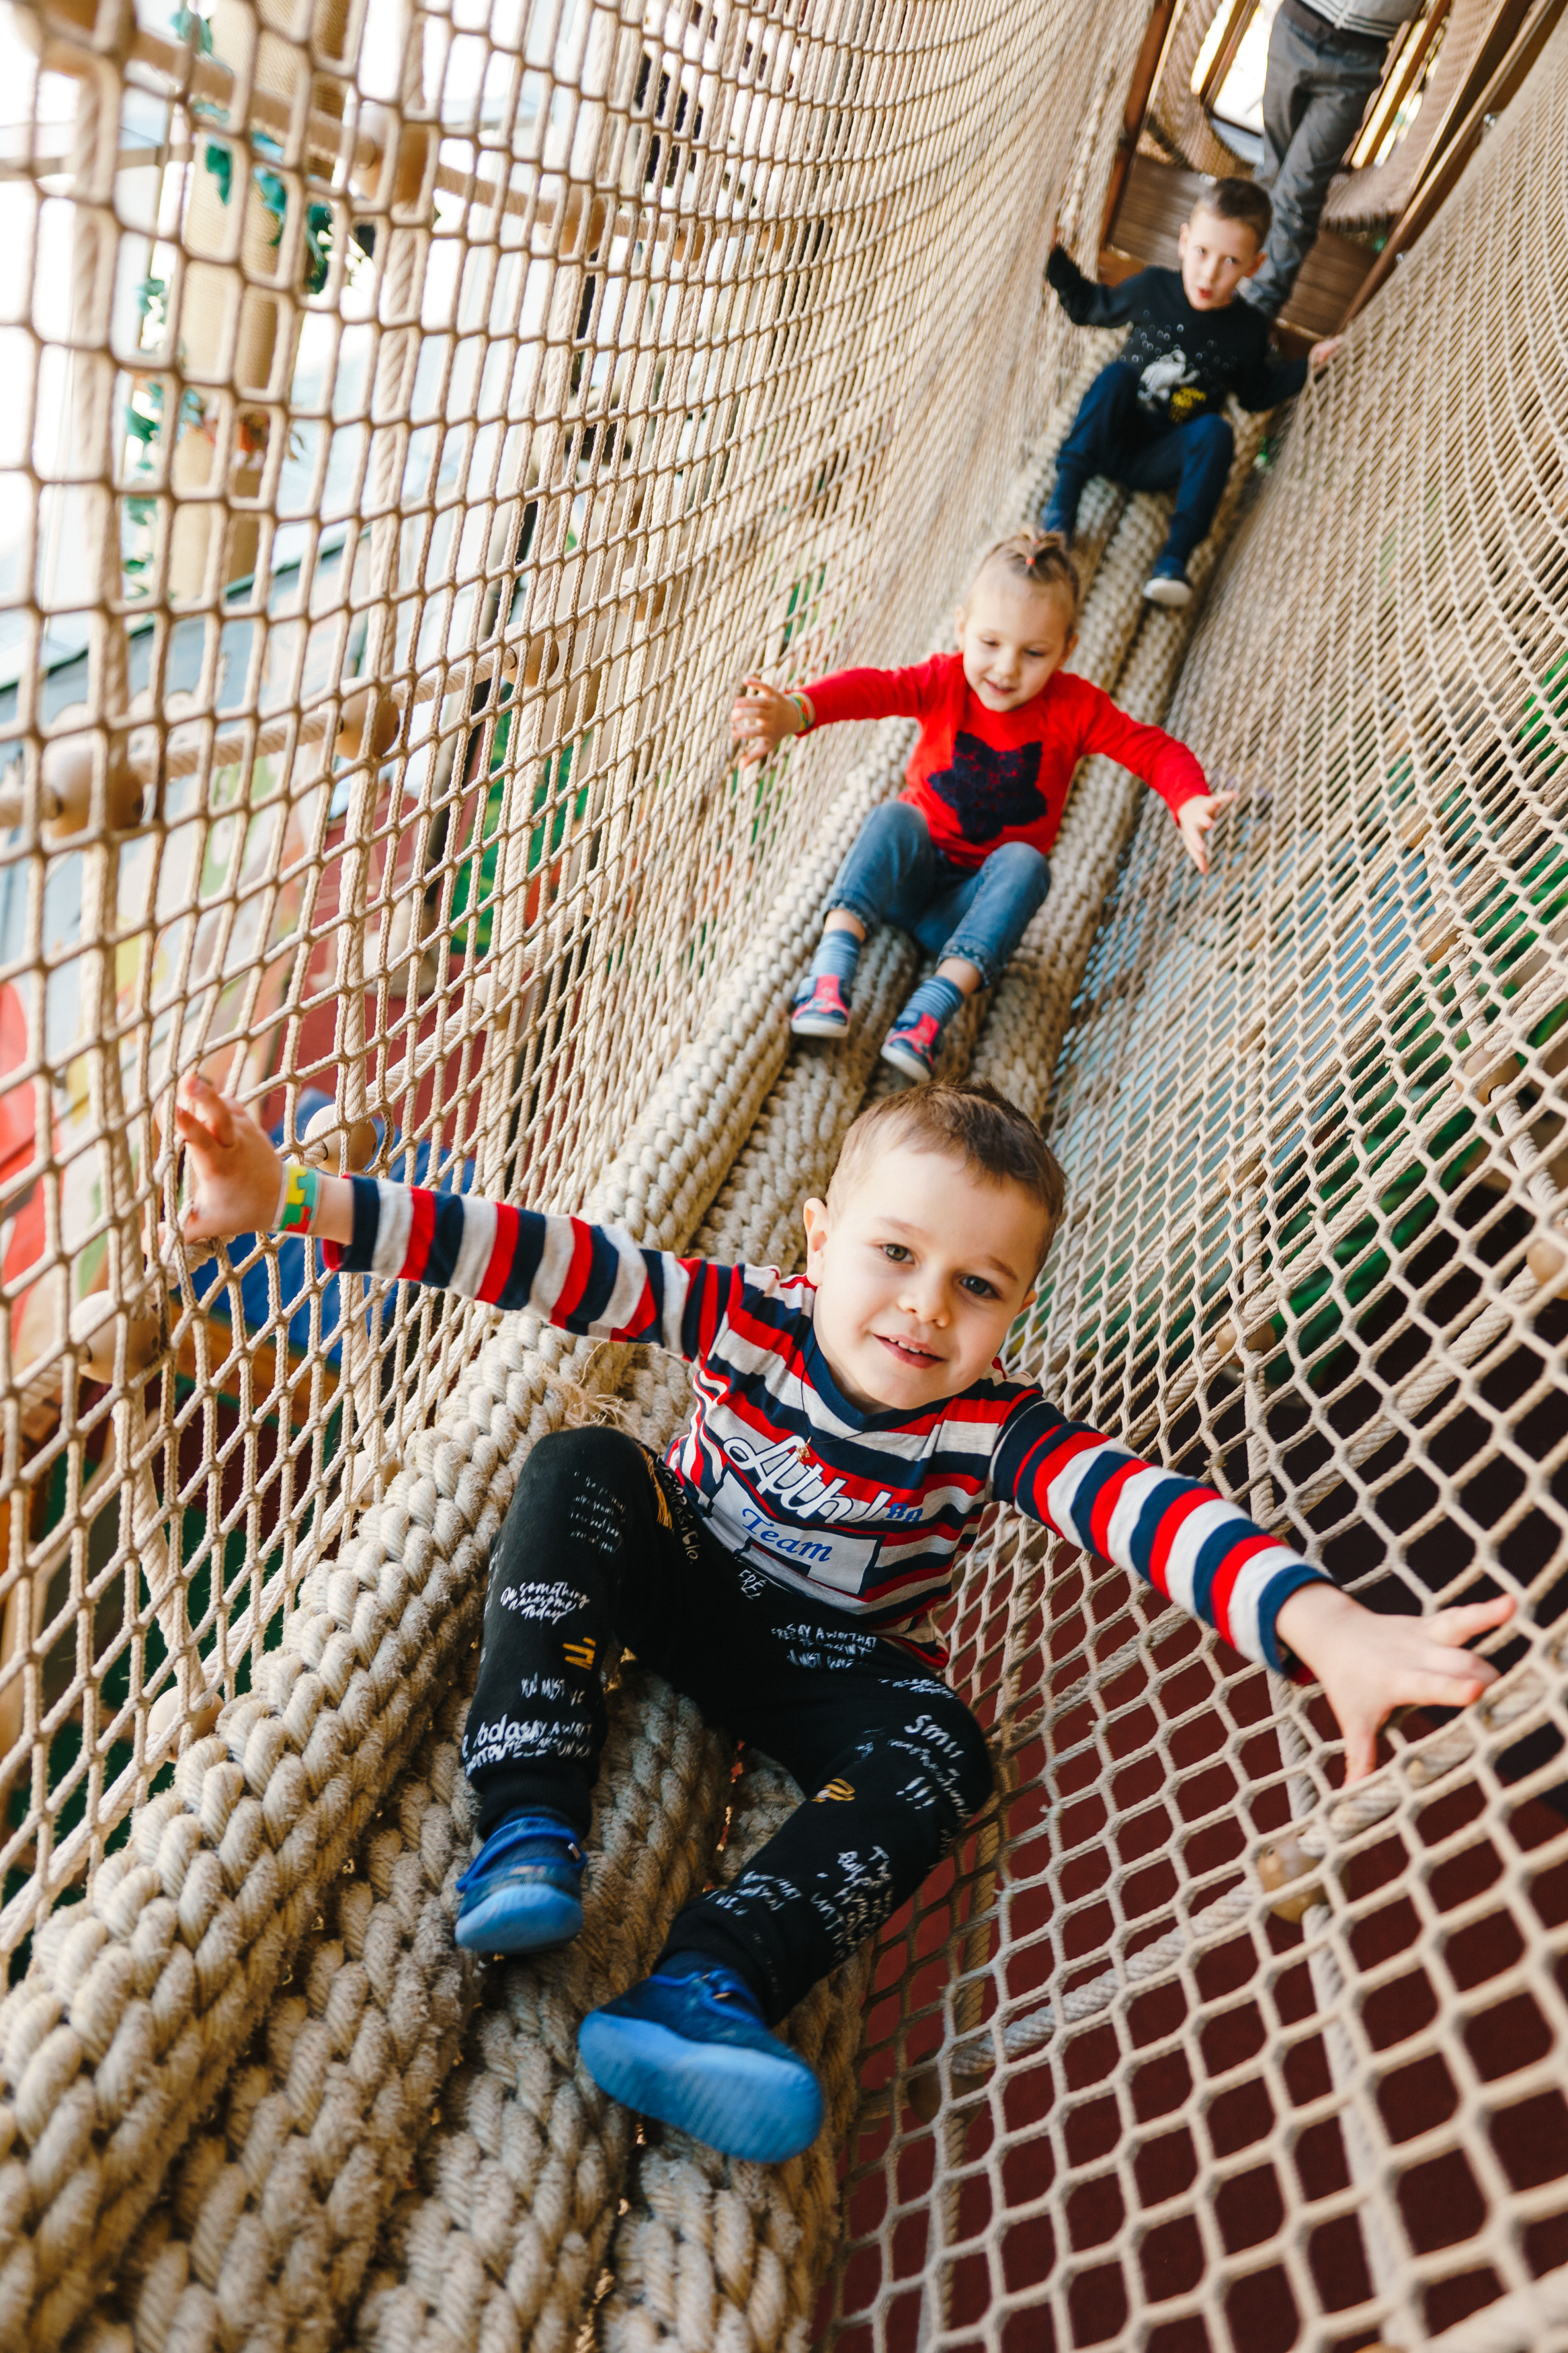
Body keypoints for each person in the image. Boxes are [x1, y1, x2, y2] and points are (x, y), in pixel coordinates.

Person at [175, 1070, 1514, 2167]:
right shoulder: (742, 1316)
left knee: (946, 1749)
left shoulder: (996, 1430)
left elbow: (1148, 1510)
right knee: (583, 1463)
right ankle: (528, 1818)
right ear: (817, 1245)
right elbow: (540, 1257)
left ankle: (709, 1983)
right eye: (892, 1253)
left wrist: (1318, 1624)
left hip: (834, 1663)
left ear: (1015, 1311)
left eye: (977, 1286)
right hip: (687, 1572)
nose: (927, 1305)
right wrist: (291, 1195)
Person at [731, 531, 1233, 1082]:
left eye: (1033, 653)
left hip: (969, 913)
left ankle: (930, 1012)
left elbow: (1151, 748)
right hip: (908, 879)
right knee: (894, 817)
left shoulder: (1074, 708)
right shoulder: (945, 680)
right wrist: (797, 711)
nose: (1005, 669)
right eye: (989, 643)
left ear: (1066, 650)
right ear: (961, 627)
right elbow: (871, 690)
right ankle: (829, 974)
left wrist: (1186, 798)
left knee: (1027, 865)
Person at [1041, 177, 1343, 609]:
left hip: (1163, 456)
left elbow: (1257, 394)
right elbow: (1090, 307)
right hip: (1112, 438)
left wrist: (1309, 364)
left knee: (1217, 432)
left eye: (1230, 261)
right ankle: (1060, 512)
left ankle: (1173, 561)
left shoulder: (1247, 331)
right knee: (1116, 378)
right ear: (1184, 241)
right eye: (1202, 252)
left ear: (1253, 267)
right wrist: (1054, 258)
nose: (1209, 273)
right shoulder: (1153, 288)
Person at [1241, 0, 1417, 324]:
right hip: (1295, 26)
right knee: (1272, 173)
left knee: (1299, 192)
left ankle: (1254, 317)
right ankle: (1233, 286)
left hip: (1357, 59)